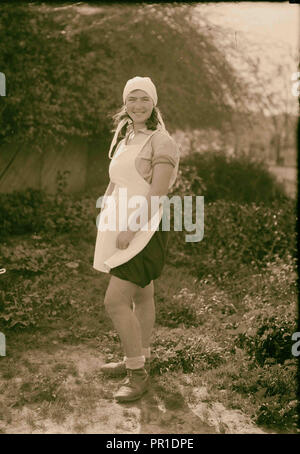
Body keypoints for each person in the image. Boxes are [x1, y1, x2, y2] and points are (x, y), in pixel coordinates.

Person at [93, 76, 180, 403]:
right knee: (143, 296)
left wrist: (131, 227)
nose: (138, 105)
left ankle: (136, 375)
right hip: (120, 222)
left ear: (154, 103)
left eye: (144, 99)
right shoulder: (126, 135)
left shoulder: (162, 141)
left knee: (115, 301)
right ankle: (140, 357)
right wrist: (106, 211)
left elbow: (158, 193)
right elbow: (116, 181)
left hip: (146, 226)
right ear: (125, 104)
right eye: (132, 99)